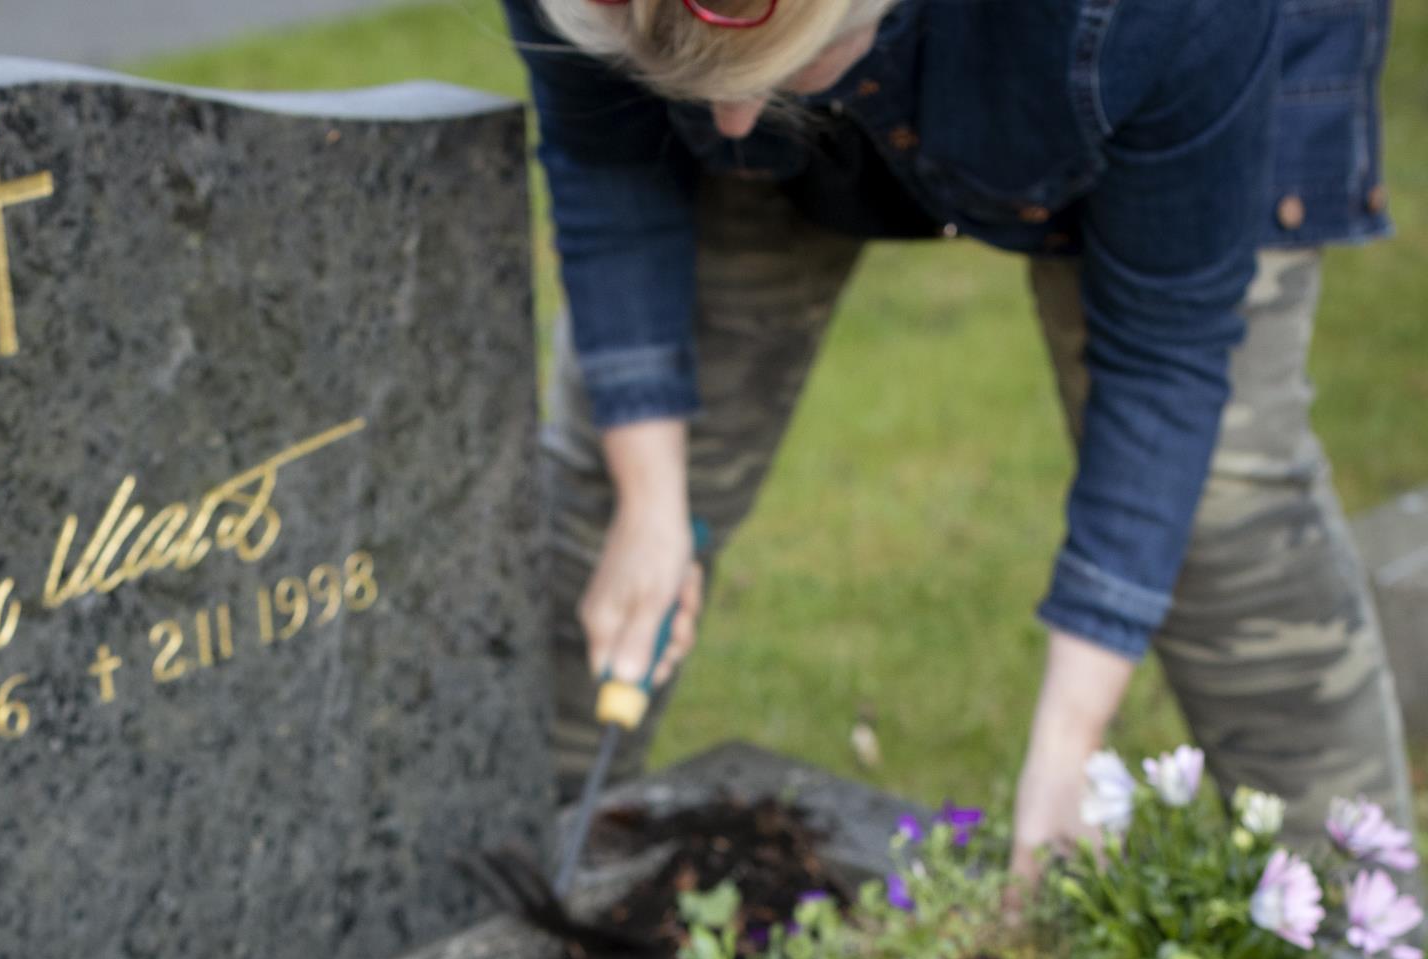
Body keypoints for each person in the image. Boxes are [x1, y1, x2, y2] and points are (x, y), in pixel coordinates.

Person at [502, 0, 1410, 874]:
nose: (732, 125)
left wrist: (1067, 743)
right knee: (605, 499)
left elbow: (1167, 353)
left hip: (1111, 56)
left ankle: (1362, 947)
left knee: (1224, 516)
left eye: (777, 72)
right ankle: (499, 869)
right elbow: (610, 161)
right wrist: (653, 499)